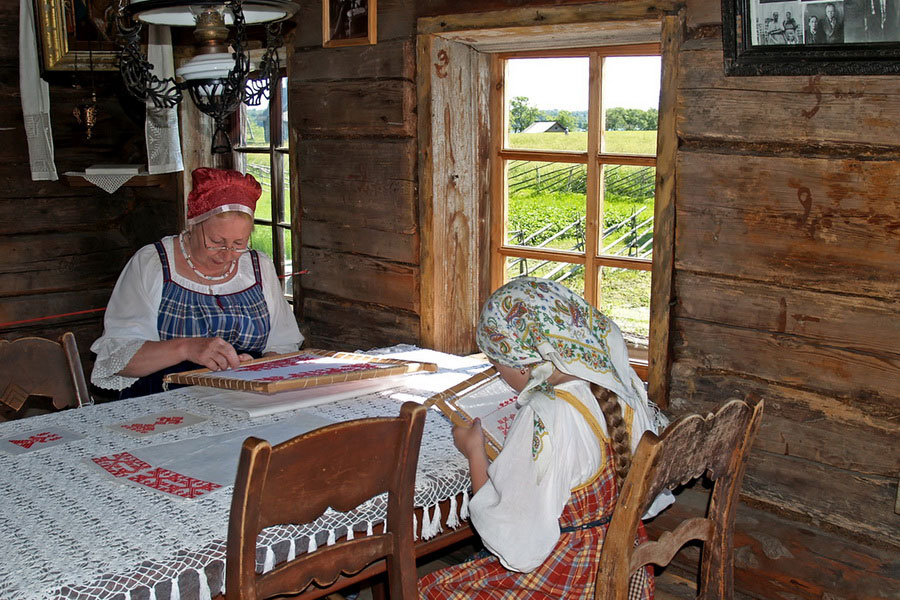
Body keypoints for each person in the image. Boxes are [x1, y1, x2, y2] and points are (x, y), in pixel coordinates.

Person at [419, 277, 673, 600]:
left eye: (498, 367)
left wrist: (474, 452)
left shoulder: (546, 414)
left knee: (430, 589)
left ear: (523, 363)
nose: (501, 377)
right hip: (622, 566)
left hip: (572, 577)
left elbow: (514, 536)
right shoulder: (618, 388)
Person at [91, 167, 303, 399]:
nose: (227, 254)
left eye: (239, 243)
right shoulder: (153, 263)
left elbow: (284, 345)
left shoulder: (257, 266)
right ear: (193, 224)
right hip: (165, 400)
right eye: (216, 241)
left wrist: (257, 366)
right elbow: (119, 359)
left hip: (242, 398)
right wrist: (187, 348)